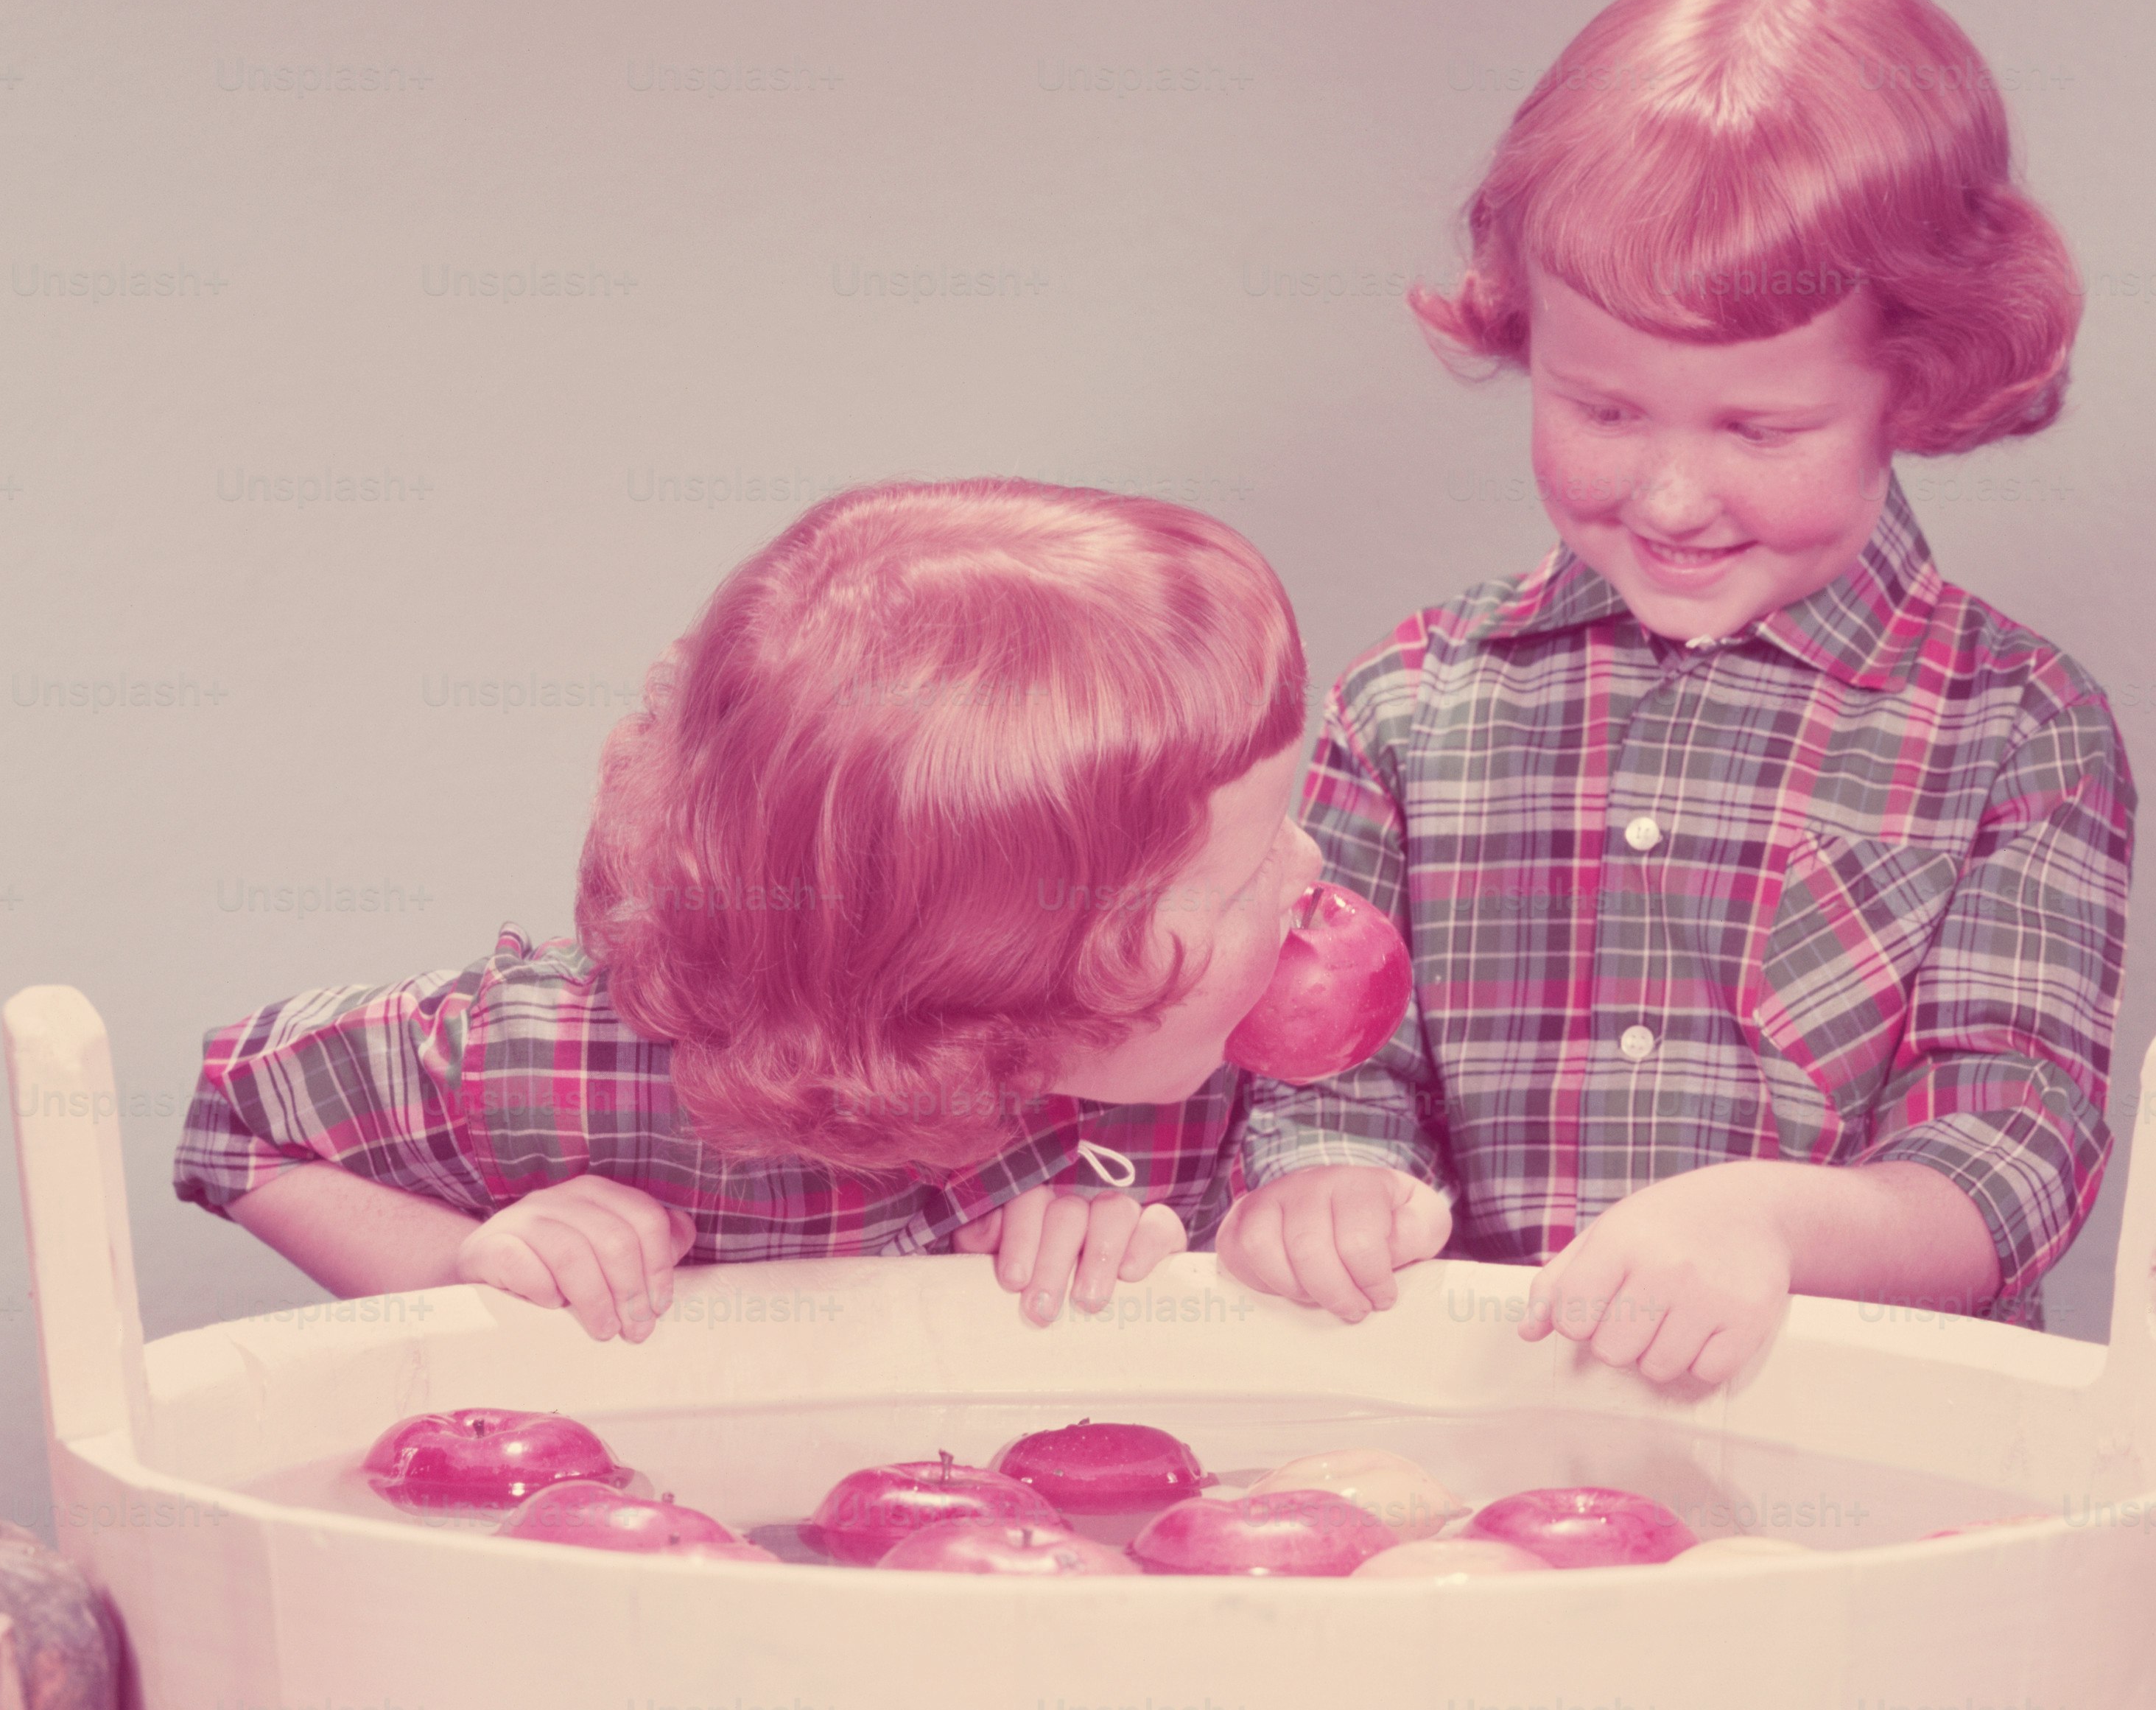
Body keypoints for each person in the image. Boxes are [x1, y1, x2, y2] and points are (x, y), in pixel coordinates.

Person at [1219, 0, 2132, 1387]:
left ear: (1917, 379)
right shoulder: (1408, 703)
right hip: (1471, 1437)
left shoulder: (2017, 731)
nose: (1666, 495)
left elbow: (2009, 1154)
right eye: (1604, 407)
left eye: (1757, 431)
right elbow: (1322, 1057)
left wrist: (1765, 1223)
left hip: (1856, 1462)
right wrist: (1325, 1176)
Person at [174, 478, 1320, 1339]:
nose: (1311, 868)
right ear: (1012, 977)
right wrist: (466, 1270)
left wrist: (1153, 1259)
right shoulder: (562, 1062)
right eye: (1245, 868)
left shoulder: (1235, 1077)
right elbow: (234, 1120)